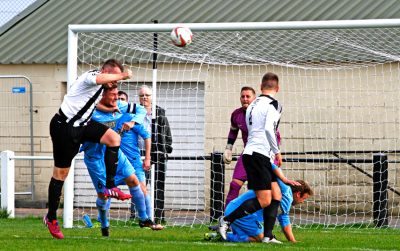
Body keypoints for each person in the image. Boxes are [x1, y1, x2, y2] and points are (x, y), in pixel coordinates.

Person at [44, 59, 134, 239]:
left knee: (113, 138)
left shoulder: (102, 86)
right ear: (105, 72)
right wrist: (124, 75)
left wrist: (108, 110)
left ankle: (110, 186)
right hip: (65, 128)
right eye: (113, 78)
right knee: (60, 174)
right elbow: (99, 79)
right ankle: (51, 217)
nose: (115, 83)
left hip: (83, 125)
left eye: (117, 81)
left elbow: (92, 101)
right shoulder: (91, 76)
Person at [218, 72, 299, 242]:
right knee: (264, 199)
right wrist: (276, 151)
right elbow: (270, 129)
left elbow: (251, 131)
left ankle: (267, 237)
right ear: (277, 88)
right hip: (259, 155)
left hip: (253, 153)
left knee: (276, 194)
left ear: (261, 87)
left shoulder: (252, 106)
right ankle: (226, 220)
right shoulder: (274, 104)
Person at [81, 86, 162, 237]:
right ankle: (104, 223)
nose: (115, 99)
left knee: (134, 181)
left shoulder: (121, 107)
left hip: (119, 156)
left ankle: (145, 219)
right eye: (111, 95)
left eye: (117, 96)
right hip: (97, 158)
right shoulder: (89, 112)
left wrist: (133, 122)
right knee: (103, 195)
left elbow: (142, 111)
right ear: (101, 96)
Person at [206, 167, 313, 243]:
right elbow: (270, 166)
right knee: (262, 239)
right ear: (298, 194)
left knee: (255, 237)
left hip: (235, 211)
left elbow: (285, 222)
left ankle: (218, 234)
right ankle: (225, 236)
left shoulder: (286, 202)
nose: (302, 202)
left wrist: (293, 241)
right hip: (243, 215)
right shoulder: (285, 190)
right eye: (304, 198)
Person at [117, 91, 164, 229]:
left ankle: (149, 221)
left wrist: (147, 158)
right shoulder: (107, 119)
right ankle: (103, 222)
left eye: (123, 99)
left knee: (143, 189)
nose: (120, 102)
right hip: (115, 162)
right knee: (105, 190)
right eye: (118, 99)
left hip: (134, 161)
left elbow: (147, 136)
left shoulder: (132, 119)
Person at [137, 85, 173, 224]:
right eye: (142, 95)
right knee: (140, 185)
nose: (144, 97)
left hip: (158, 154)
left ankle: (159, 217)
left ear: (152, 97)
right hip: (140, 154)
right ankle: (140, 216)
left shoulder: (160, 113)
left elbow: (168, 134)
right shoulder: (136, 112)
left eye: (147, 95)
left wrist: (166, 149)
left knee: (159, 186)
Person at [222, 86, 256, 207]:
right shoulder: (236, 114)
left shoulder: (261, 113)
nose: (245, 99)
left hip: (263, 154)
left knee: (260, 189)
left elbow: (275, 134)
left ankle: (259, 221)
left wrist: (275, 153)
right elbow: (233, 131)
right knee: (234, 185)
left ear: (254, 98)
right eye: (243, 96)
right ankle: (226, 220)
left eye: (248, 96)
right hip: (247, 153)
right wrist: (228, 148)